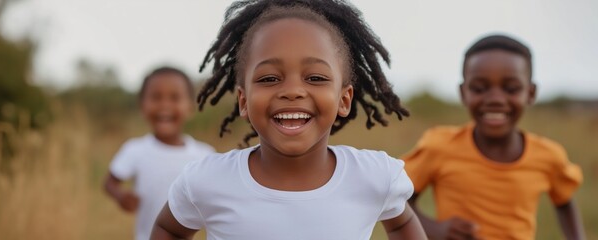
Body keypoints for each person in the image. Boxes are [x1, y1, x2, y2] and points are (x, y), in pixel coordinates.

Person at [150, 1, 427, 239]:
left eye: (315, 78)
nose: (292, 91)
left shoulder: (374, 177)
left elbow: (402, 222)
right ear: (243, 101)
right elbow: (169, 229)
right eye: (269, 78)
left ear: (344, 99)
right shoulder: (207, 181)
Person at [403, 35, 586, 240]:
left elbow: (565, 202)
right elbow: (398, 200)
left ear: (531, 93)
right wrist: (436, 230)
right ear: (463, 93)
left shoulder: (548, 156)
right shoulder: (439, 146)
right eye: (480, 88)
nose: (495, 99)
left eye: (511, 89)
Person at [103, 67, 216, 240]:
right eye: (156, 97)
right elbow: (109, 182)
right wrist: (121, 196)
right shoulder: (135, 150)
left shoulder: (205, 155)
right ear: (142, 105)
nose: (165, 105)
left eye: (175, 97)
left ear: (190, 107)